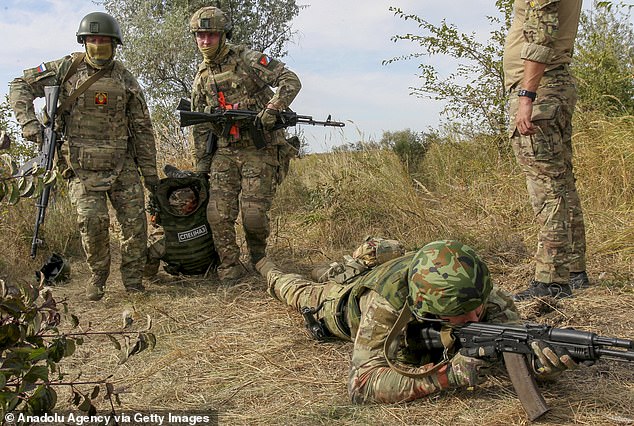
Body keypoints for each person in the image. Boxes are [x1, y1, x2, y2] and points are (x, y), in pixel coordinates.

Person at [255, 239, 576, 403]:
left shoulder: (481, 292)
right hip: (339, 306)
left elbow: (516, 349)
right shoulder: (389, 303)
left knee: (345, 267)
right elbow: (361, 386)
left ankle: (338, 268)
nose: (474, 317)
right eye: (459, 314)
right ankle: (265, 266)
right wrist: (448, 375)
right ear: (426, 306)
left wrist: (540, 365)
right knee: (294, 289)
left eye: (477, 308)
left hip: (396, 272)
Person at [9, 12, 159, 301]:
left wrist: (150, 175)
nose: (98, 45)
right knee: (92, 224)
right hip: (79, 164)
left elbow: (142, 128)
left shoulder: (126, 79)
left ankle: (133, 282)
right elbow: (19, 84)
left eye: (104, 40)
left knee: (134, 225)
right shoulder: (65, 68)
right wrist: (29, 123)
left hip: (121, 162)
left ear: (115, 44)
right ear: (83, 41)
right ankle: (98, 277)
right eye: (93, 40)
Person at [189, 6, 302, 283]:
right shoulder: (202, 76)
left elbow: (290, 80)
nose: (205, 41)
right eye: (200, 36)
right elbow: (200, 125)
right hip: (225, 151)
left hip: (259, 150)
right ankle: (229, 265)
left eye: (211, 35)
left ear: (223, 35)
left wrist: (273, 108)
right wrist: (201, 165)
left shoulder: (247, 59)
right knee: (217, 214)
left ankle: (258, 259)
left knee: (253, 216)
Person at [503, 0, 589, 301]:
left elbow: (541, 32)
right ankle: (574, 270)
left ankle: (552, 279)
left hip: (541, 89)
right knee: (562, 182)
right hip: (555, 84)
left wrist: (527, 95)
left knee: (547, 186)